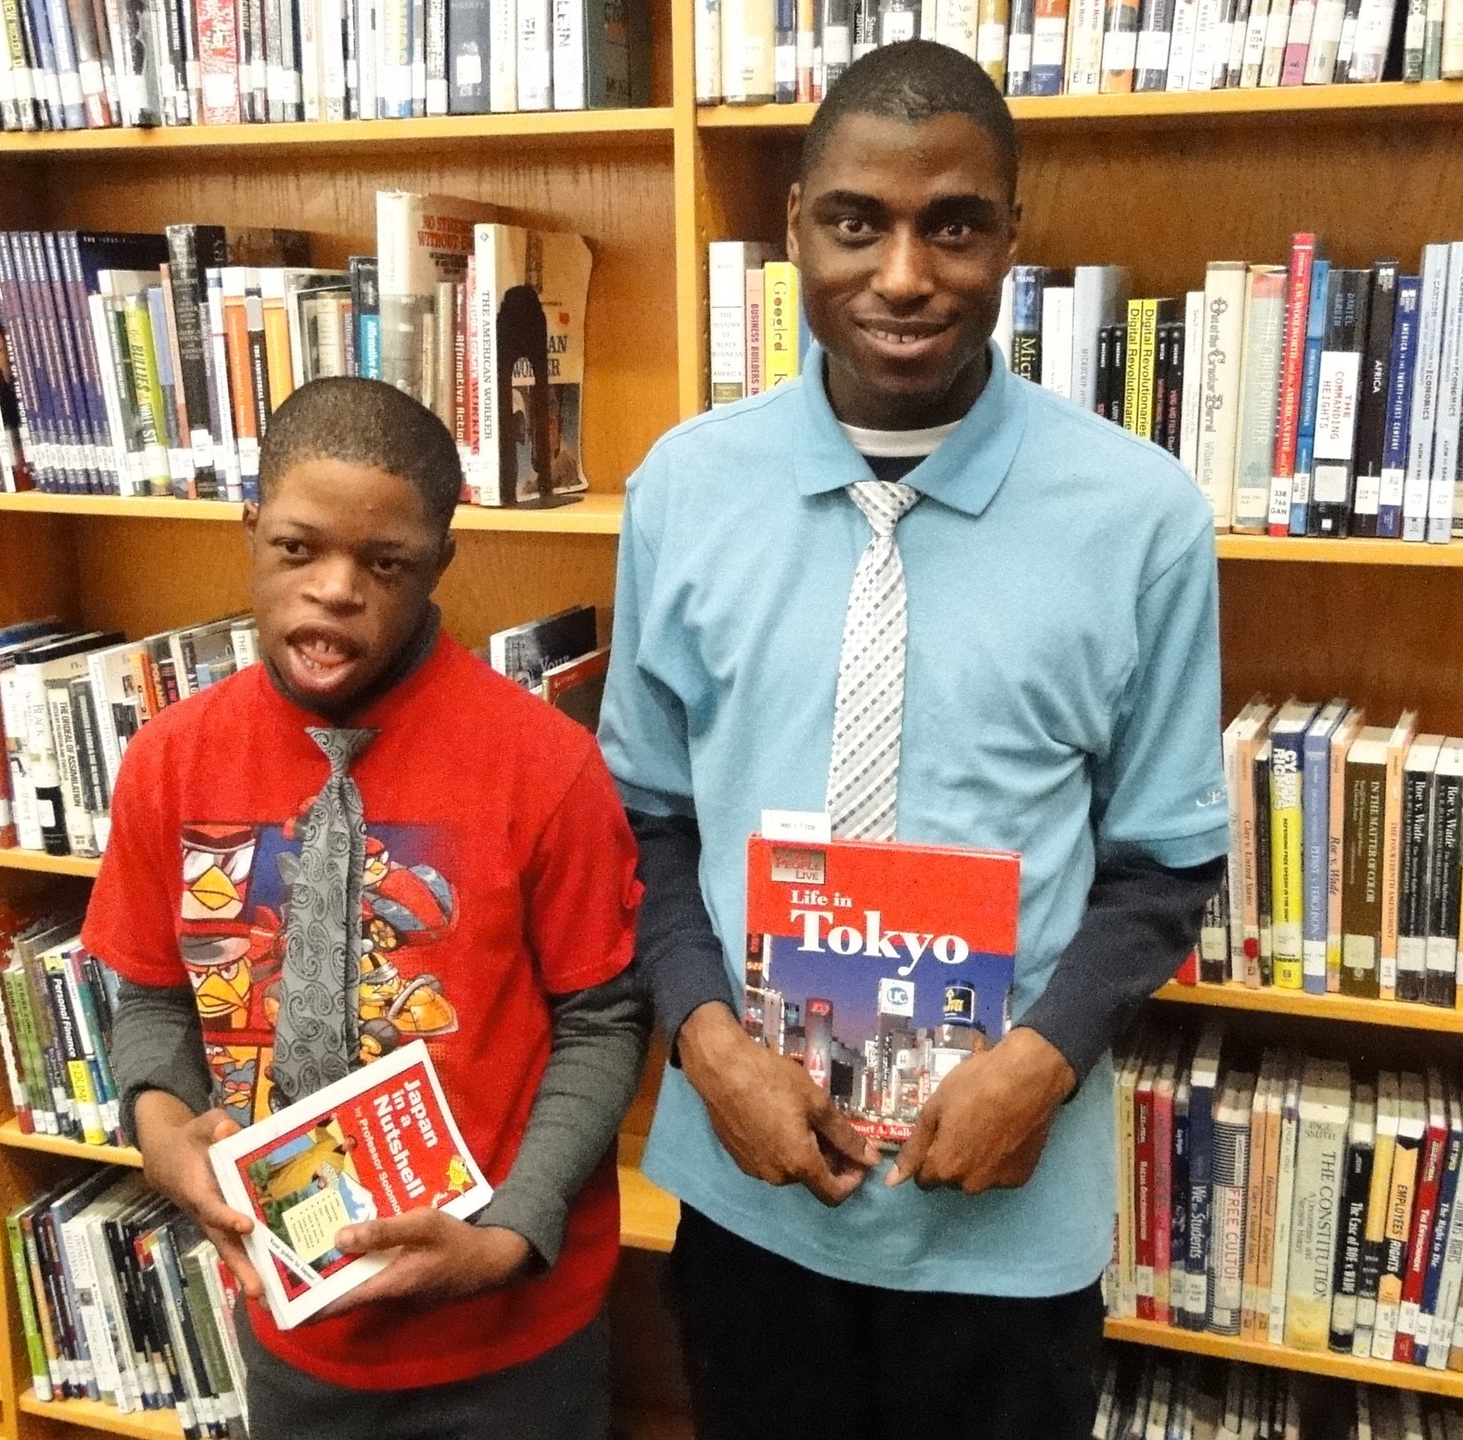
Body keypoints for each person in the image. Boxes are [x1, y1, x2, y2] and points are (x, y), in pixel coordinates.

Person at [599, 39, 1228, 1440]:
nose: (901, 274)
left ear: (1014, 235)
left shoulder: (1142, 516)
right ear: (793, 231)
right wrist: (708, 1049)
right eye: (856, 222)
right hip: (752, 1192)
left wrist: (1041, 1066)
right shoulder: (685, 490)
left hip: (1005, 1210)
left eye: (952, 224)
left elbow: (1164, 864)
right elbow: (643, 822)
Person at [87, 376, 648, 1440]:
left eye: (384, 562)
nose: (336, 590)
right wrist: (164, 1137)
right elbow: (153, 997)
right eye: (299, 548)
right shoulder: (170, 760)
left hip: (514, 1338)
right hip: (299, 1336)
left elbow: (602, 1019)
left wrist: (512, 1234)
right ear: (249, 530)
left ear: (440, 561)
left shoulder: (546, 766)